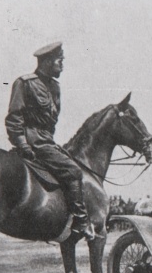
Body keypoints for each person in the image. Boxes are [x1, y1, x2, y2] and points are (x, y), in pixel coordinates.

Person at [5, 42, 95, 240]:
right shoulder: (25, 83)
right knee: (73, 171)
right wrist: (22, 144)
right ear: (46, 61)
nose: (62, 64)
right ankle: (81, 221)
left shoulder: (54, 86)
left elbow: (50, 124)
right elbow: (14, 118)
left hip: (47, 141)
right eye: (59, 60)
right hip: (34, 142)